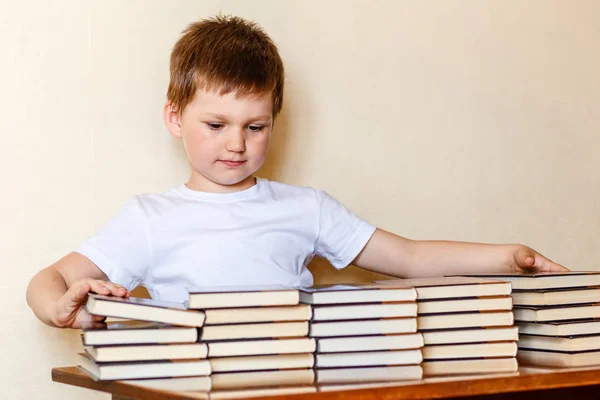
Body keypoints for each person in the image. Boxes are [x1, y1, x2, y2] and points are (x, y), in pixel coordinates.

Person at [26, 15, 567, 329]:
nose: (236, 144)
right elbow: (46, 280)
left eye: (255, 126)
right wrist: (59, 307)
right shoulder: (149, 217)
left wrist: (507, 256)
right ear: (175, 116)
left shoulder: (304, 208)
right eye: (216, 124)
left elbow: (407, 257)